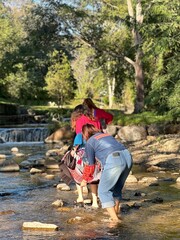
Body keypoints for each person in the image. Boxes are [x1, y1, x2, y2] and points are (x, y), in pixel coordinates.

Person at [81, 124, 133, 223]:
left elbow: (90, 166)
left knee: (103, 191)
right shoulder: (106, 135)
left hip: (114, 159)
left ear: (85, 134)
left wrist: (84, 179)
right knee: (117, 188)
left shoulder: (90, 142)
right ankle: (116, 212)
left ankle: (114, 220)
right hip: (128, 157)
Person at [70, 104, 102, 207]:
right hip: (96, 152)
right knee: (94, 177)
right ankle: (95, 201)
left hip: (83, 154)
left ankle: (80, 196)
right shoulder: (96, 119)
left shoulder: (80, 122)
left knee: (77, 173)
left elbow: (78, 140)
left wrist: (73, 150)